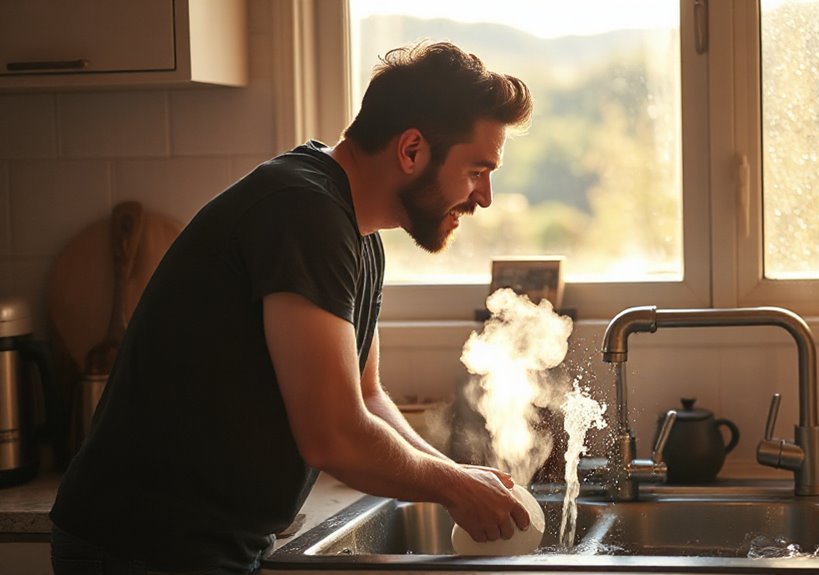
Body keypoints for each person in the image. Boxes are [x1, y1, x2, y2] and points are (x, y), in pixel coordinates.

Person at [49, 41, 534, 574]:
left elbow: (367, 399)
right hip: (141, 547)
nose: (484, 197)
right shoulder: (303, 212)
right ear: (412, 150)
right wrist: (453, 485)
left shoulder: (357, 234)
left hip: (204, 544)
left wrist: (461, 482)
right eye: (476, 171)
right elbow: (334, 437)